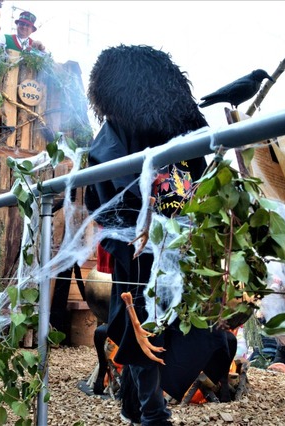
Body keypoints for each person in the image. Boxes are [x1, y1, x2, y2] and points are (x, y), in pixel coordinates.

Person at [84, 45, 223, 426]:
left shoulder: (148, 129)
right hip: (150, 243)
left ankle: (139, 405)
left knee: (154, 324)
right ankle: (151, 412)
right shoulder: (166, 128)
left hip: (161, 243)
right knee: (141, 322)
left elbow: (100, 188)